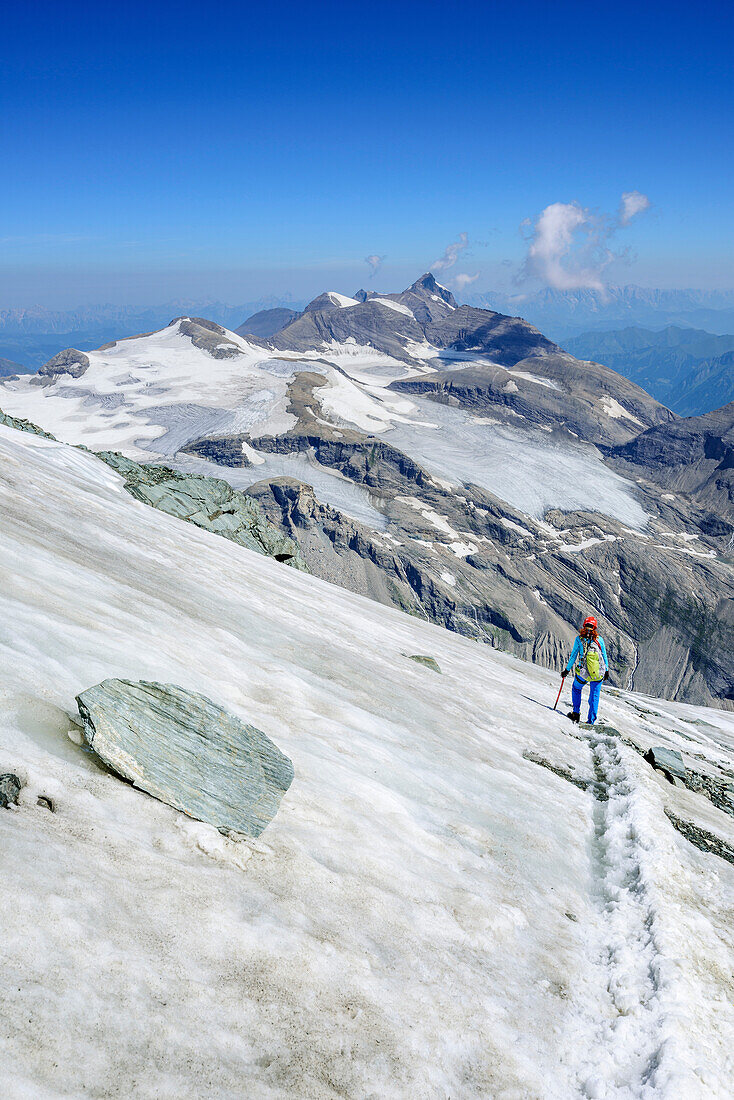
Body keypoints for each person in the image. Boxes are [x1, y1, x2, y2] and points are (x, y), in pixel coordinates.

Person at [561, 615, 609, 725]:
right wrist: (606, 670)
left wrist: (567, 670)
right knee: (594, 696)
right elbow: (604, 655)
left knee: (576, 688)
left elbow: (573, 656)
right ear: (595, 628)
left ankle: (576, 714)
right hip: (598, 673)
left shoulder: (579, 639)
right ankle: (591, 721)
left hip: (583, 673)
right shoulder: (599, 640)